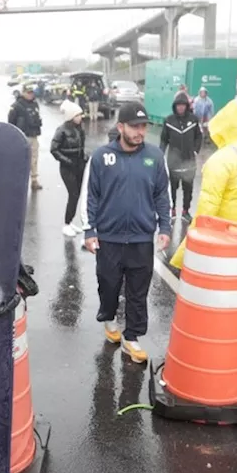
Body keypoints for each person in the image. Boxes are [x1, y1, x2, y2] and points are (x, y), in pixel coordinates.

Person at [84, 103, 172, 363]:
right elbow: (90, 196)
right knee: (109, 286)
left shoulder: (155, 157)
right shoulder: (101, 157)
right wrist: (90, 230)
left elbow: (162, 196)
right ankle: (109, 319)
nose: (140, 132)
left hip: (141, 239)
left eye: (143, 126)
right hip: (109, 239)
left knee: (137, 292)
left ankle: (131, 337)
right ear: (120, 127)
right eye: (134, 126)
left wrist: (164, 227)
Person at [167, 100, 237, 274]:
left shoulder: (220, 160)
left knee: (214, 287)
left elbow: (207, 210)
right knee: (236, 284)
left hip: (221, 238)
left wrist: (184, 256)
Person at [159, 91, 202, 221]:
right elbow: (164, 139)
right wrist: (160, 154)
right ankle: (172, 210)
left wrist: (195, 150)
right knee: (172, 188)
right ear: (175, 106)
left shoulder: (193, 120)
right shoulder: (169, 121)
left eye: (183, 105)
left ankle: (185, 211)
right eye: (178, 105)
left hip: (189, 161)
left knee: (188, 188)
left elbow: (199, 136)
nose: (181, 107)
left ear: (187, 106)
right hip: (173, 161)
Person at [50, 100, 87, 236]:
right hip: (67, 168)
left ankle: (70, 222)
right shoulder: (61, 130)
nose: (80, 117)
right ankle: (66, 224)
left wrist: (85, 157)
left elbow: (81, 148)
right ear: (71, 116)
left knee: (76, 195)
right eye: (78, 115)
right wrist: (67, 161)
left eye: (81, 115)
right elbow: (54, 149)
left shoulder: (79, 129)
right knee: (73, 194)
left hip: (79, 166)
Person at [8, 82, 44, 190]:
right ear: (23, 92)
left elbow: (37, 118)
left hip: (33, 135)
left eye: (32, 92)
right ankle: (19, 181)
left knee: (34, 159)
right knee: (21, 160)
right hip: (22, 136)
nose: (30, 95)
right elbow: (11, 122)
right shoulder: (16, 106)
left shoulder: (35, 104)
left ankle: (34, 180)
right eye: (28, 92)